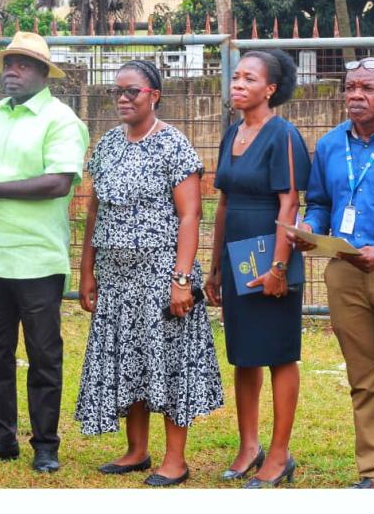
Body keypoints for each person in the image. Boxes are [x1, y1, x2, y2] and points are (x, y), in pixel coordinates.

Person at [73, 59, 222, 486]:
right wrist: (87, 271)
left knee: (170, 361)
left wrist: (182, 281)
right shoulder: (107, 145)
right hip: (116, 276)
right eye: (115, 91)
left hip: (161, 273)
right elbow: (95, 211)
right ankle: (136, 450)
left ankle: (175, 459)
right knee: (130, 358)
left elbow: (190, 216)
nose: (122, 98)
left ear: (154, 95)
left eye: (131, 91)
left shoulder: (174, 145)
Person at [0, 31, 89, 474]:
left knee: (44, 353)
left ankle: (45, 444)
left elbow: (58, 183)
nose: (12, 70)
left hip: (35, 257)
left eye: (24, 64)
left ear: (44, 73)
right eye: (9, 62)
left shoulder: (61, 120)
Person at [205, 50, 311, 488]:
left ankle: (280, 454)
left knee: (279, 354)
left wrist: (279, 269)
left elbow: (290, 202)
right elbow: (224, 202)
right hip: (235, 257)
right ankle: (249, 446)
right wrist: (213, 268)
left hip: (271, 256)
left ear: (270, 89)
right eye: (236, 76)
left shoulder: (283, 134)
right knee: (244, 352)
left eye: (249, 79)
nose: (238, 84)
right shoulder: (231, 133)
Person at [289, 56, 374, 489]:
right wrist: (311, 228)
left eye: (367, 88)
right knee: (364, 380)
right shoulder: (331, 144)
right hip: (346, 272)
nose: (355, 96)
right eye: (350, 87)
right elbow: (321, 203)